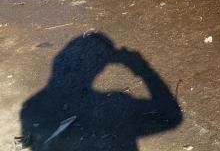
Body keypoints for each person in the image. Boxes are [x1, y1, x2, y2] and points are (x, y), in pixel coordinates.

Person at [19, 32, 182, 150]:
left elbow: (30, 141)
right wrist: (142, 68)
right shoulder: (116, 105)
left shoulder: (31, 107)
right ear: (101, 67)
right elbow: (172, 117)